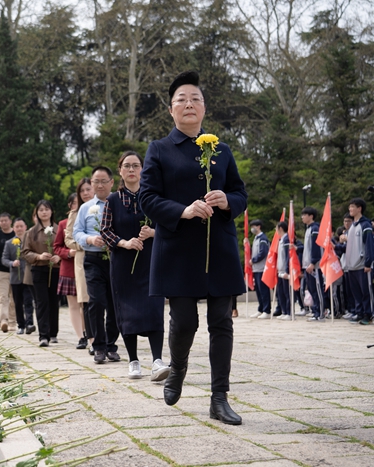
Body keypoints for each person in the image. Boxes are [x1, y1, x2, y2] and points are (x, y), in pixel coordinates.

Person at [138, 71, 247, 425]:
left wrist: (227, 201)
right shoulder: (159, 149)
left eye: (195, 99)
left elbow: (241, 194)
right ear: (171, 110)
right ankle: (179, 368)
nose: (189, 104)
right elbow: (147, 198)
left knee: (221, 322)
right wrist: (183, 210)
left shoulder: (222, 150)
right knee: (184, 322)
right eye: (181, 100)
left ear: (204, 108)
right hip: (178, 251)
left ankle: (219, 398)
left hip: (219, 251)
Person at [101, 151, 170, 381]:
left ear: (143, 169)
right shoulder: (112, 200)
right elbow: (105, 231)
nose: (132, 170)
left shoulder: (153, 196)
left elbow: (169, 223)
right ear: (120, 171)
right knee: (127, 313)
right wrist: (125, 243)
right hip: (123, 264)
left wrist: (153, 232)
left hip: (151, 261)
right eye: (127, 166)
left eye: (136, 166)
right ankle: (133, 361)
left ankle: (158, 360)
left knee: (154, 309)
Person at [73, 167, 120, 363]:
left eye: (103, 181)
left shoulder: (119, 203)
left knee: (114, 304)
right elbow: (77, 233)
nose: (99, 185)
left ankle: (111, 345)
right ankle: (98, 345)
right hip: (93, 260)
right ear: (91, 184)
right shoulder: (85, 208)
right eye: (96, 181)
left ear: (111, 182)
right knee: (97, 301)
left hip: (115, 258)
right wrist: (90, 239)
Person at [22, 200, 62, 347]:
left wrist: (59, 256)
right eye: (41, 210)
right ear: (37, 213)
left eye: (47, 209)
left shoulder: (60, 229)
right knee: (41, 302)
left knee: (54, 301)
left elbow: (65, 247)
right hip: (39, 269)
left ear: (51, 211)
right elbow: (25, 252)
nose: (44, 212)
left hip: (56, 269)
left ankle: (53, 333)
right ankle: (43, 335)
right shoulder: (31, 232)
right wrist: (38, 256)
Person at [65, 177, 95, 351]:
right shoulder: (74, 214)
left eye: (88, 189)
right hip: (83, 258)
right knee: (86, 301)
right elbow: (68, 239)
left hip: (104, 257)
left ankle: (106, 336)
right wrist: (85, 243)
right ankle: (92, 339)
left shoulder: (104, 207)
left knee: (102, 300)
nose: (85, 193)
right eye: (82, 190)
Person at [338, 198, 374, 325]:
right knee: (356, 292)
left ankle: (368, 315)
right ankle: (359, 313)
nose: (350, 209)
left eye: (352, 207)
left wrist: (368, 263)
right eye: (349, 207)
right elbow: (349, 246)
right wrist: (336, 246)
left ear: (359, 208)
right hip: (351, 266)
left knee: (365, 291)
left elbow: (369, 245)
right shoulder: (352, 227)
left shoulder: (365, 225)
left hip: (361, 265)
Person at [54, 194, 85, 348]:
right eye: (74, 203)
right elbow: (57, 246)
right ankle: (80, 336)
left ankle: (88, 332)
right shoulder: (63, 224)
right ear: (69, 205)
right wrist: (67, 253)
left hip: (86, 267)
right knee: (73, 304)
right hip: (68, 269)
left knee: (86, 304)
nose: (76, 206)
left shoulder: (90, 219)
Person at [2, 218, 35, 334]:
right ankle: (20, 324)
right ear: (14, 228)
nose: (19, 229)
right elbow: (4, 259)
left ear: (25, 227)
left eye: (21, 226)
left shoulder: (30, 241)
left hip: (28, 276)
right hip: (15, 278)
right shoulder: (9, 243)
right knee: (18, 303)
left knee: (28, 301)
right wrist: (12, 263)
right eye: (17, 226)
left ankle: (29, 323)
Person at [0, 213, 17, 332]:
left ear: (10, 221)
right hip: (1, 271)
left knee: (14, 298)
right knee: (2, 297)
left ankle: (12, 321)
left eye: (5, 220)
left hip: (15, 271)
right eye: (1, 221)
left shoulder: (16, 234)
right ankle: (3, 321)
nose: (3, 223)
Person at [301, 207, 326, 321]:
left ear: (311, 216)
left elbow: (316, 247)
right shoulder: (308, 229)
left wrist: (313, 262)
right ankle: (315, 311)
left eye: (304, 215)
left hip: (315, 266)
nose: (302, 217)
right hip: (308, 265)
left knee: (317, 289)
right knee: (312, 289)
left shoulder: (315, 228)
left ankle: (320, 313)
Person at [246, 220, 272, 319]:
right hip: (256, 269)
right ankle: (261, 308)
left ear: (259, 226)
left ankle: (266, 310)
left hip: (262, 268)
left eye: (254, 226)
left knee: (264, 290)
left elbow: (263, 252)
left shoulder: (263, 238)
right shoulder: (256, 238)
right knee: (259, 290)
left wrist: (254, 260)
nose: (252, 228)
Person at [275, 222, 292, 320]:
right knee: (280, 292)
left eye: (276, 228)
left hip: (285, 271)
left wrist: (287, 270)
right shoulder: (281, 240)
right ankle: (284, 311)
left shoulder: (286, 239)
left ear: (280, 228)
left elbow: (287, 256)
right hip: (280, 270)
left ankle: (289, 312)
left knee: (287, 293)